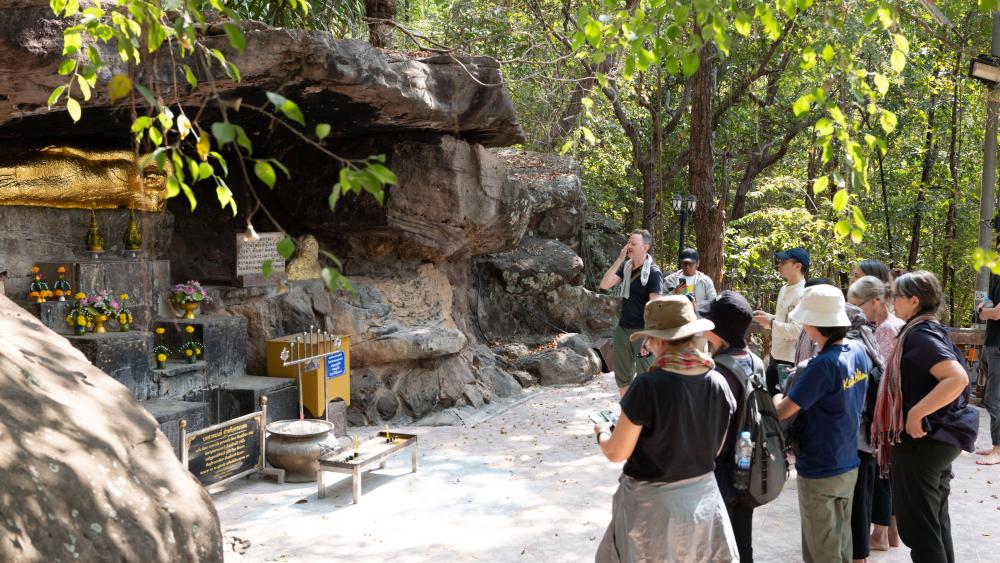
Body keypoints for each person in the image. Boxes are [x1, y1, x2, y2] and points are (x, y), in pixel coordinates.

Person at [594, 295, 737, 562]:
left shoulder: (647, 386)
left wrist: (602, 432)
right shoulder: (718, 381)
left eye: (649, 339)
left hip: (653, 509)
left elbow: (616, 452)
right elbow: (714, 449)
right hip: (703, 503)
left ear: (659, 340)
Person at [872, 271, 979, 563]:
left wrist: (916, 413)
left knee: (920, 532)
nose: (891, 301)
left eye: (896, 296)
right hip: (940, 439)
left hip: (924, 442)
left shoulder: (919, 334)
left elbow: (956, 379)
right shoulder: (928, 328)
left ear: (915, 300)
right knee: (934, 524)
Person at [772, 285, 870, 563]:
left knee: (822, 551)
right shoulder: (858, 350)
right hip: (848, 462)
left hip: (820, 468)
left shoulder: (823, 365)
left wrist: (778, 394)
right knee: (840, 542)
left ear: (814, 324)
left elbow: (783, 411)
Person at [699, 290, 760, 562]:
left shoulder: (718, 373)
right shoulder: (755, 361)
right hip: (748, 466)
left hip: (722, 471)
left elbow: (712, 435)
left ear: (719, 329)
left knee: (720, 545)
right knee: (742, 538)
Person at [848, 275, 905, 551]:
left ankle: (880, 534)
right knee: (887, 472)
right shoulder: (892, 326)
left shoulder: (884, 330)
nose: (856, 311)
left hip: (885, 412)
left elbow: (881, 375)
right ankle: (891, 533)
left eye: (856, 305)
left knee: (881, 473)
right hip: (893, 412)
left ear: (874, 302)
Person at [599, 230, 664, 397]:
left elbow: (655, 308)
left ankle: (646, 420)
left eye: (633, 244)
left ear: (645, 247)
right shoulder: (625, 267)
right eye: (628, 242)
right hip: (623, 330)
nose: (629, 246)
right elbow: (605, 285)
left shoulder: (654, 273)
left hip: (642, 332)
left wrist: (649, 337)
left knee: (646, 377)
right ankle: (627, 416)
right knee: (623, 378)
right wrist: (620, 259)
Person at [753, 247, 808, 396]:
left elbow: (799, 331)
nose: (780, 264)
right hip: (775, 356)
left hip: (791, 361)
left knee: (782, 409)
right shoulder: (784, 289)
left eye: (784, 262)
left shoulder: (804, 292)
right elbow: (785, 320)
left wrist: (771, 323)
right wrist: (769, 317)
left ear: (798, 266)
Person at [975, 271, 1000, 466]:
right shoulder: (998, 280)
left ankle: (998, 451)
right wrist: (985, 309)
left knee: (994, 400)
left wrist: (984, 311)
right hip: (992, 344)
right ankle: (996, 447)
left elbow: (995, 312)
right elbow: (986, 304)